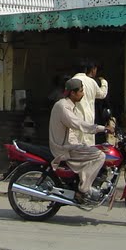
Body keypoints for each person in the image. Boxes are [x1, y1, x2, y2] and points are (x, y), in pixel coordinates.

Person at [48, 78, 108, 206]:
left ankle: (81, 180)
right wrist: (102, 129)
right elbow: (79, 124)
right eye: (80, 91)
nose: (83, 94)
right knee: (100, 155)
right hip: (63, 148)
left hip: (69, 145)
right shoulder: (63, 107)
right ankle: (84, 190)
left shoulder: (68, 105)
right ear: (72, 93)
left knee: (95, 149)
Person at [71, 59, 108, 145]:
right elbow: (102, 94)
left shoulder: (72, 82)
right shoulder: (91, 82)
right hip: (89, 118)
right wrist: (104, 82)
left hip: (75, 118)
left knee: (76, 145)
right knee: (89, 146)